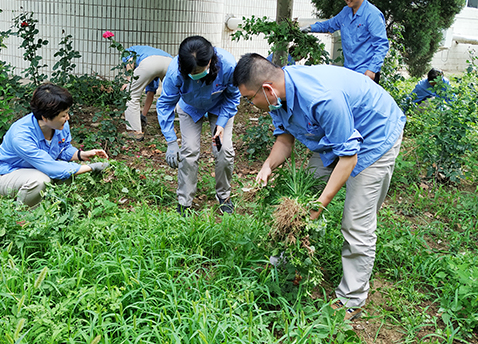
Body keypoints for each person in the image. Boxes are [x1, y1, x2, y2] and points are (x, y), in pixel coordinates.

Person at [233, 53, 406, 320]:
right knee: (300, 201)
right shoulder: (278, 95)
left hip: (375, 136)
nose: (250, 105)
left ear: (266, 90)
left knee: (356, 222)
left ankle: (352, 299)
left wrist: (320, 206)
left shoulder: (321, 98)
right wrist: (267, 165)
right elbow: (285, 141)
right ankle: (287, 265)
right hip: (334, 137)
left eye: (249, 99)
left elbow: (349, 157)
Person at [156, 36, 240, 215]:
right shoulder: (174, 72)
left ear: (210, 60)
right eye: (191, 74)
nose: (196, 76)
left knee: (224, 151)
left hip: (220, 107)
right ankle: (184, 201)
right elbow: (165, 105)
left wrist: (222, 123)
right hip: (190, 107)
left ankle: (224, 196)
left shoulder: (228, 65)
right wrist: (171, 141)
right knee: (189, 152)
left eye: (200, 71)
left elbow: (233, 96)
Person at [0, 83, 109, 207]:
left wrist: (81, 155)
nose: (67, 117)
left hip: (34, 168)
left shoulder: (59, 125)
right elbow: (51, 167)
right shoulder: (21, 135)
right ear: (45, 117)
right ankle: (23, 216)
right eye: (63, 115)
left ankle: (51, 210)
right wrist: (92, 167)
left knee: (66, 176)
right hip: (7, 174)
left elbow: (62, 148)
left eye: (67, 113)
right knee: (41, 180)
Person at [302, 0, 389, 83]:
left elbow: (382, 45)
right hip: (348, 71)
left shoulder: (373, 15)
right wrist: (309, 28)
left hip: (366, 73)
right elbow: (329, 25)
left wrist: (372, 70)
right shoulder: (345, 12)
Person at [122, 45, 173, 141]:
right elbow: (151, 92)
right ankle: (169, 130)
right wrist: (143, 115)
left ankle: (134, 132)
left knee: (132, 95)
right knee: (170, 97)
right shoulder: (148, 52)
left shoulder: (129, 51)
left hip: (150, 62)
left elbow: (129, 61)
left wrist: (129, 82)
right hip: (170, 62)